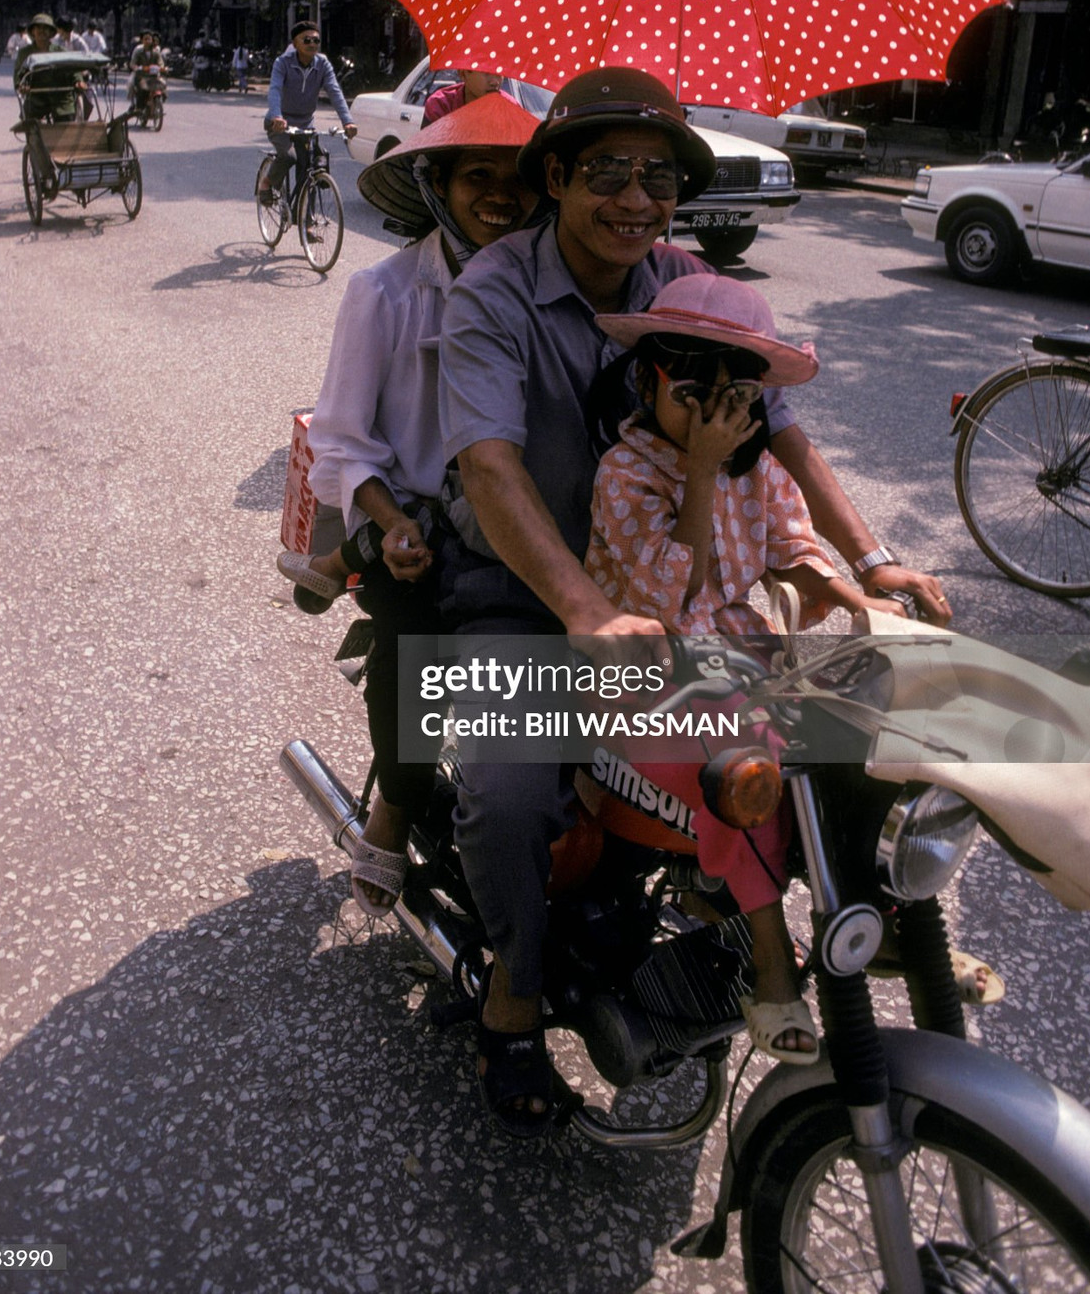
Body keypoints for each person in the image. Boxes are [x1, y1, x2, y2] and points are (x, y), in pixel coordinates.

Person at [436, 65, 952, 1133]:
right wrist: (582, 609)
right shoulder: (491, 289)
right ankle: (516, 994)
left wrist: (869, 558)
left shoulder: (682, 280)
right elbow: (488, 465)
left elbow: (783, 438)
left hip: (680, 622)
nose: (637, 199)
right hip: (526, 595)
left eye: (660, 176)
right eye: (610, 172)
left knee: (851, 725)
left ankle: (832, 909)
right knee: (508, 791)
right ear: (557, 178)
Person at [585, 272, 905, 1061]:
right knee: (744, 750)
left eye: (737, 400)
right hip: (639, 679)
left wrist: (859, 598)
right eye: (695, 392)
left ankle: (880, 913)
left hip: (739, 663)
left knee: (872, 719)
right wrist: (699, 471)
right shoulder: (625, 473)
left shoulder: (755, 468)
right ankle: (770, 964)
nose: (717, 418)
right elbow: (668, 599)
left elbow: (793, 553)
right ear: (648, 378)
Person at [280, 96, 540, 916]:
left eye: (520, 179)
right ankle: (394, 805)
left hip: (526, 525)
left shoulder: (560, 290)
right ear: (437, 183)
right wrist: (388, 521)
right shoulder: (384, 293)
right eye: (478, 176)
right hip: (416, 520)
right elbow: (343, 439)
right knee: (417, 637)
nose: (501, 194)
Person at [260, 22, 356, 204]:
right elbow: (274, 91)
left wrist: (347, 121)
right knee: (289, 157)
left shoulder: (323, 64)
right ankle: (267, 181)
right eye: (307, 40)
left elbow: (335, 92)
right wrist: (277, 116)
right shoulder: (283, 63)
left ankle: (307, 222)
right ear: (295, 44)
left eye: (316, 40)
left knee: (308, 170)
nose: (312, 44)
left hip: (305, 124)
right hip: (280, 123)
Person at [421, 69, 505, 127]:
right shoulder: (440, 106)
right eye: (486, 72)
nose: (495, 82)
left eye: (499, 71)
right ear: (463, 74)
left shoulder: (511, 109)